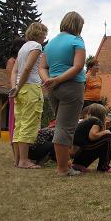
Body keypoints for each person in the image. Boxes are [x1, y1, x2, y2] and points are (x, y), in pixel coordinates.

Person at [39, 11, 86, 176]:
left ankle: (64, 164)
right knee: (65, 128)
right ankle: (63, 168)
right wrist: (58, 80)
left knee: (60, 124)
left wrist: (48, 81)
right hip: (71, 87)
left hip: (53, 90)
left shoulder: (50, 44)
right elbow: (78, 66)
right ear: (78, 26)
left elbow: (42, 67)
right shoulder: (76, 41)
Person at [9, 23, 48, 169]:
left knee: (19, 125)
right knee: (28, 123)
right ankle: (24, 161)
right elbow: (28, 68)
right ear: (38, 33)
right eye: (44, 33)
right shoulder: (36, 47)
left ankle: (18, 160)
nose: (45, 36)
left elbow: (15, 71)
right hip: (30, 88)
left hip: (21, 90)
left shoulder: (22, 49)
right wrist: (18, 87)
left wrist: (15, 88)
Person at [71, 104, 111, 173]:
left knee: (105, 135)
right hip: (82, 151)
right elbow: (92, 136)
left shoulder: (88, 121)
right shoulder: (96, 121)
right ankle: (104, 167)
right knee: (107, 136)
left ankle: (79, 164)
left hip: (78, 154)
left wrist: (104, 127)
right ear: (103, 115)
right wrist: (106, 132)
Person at [5, 37, 26, 157]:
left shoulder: (19, 61)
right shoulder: (12, 61)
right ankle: (16, 155)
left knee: (21, 123)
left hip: (23, 93)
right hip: (15, 94)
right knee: (15, 123)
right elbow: (12, 80)